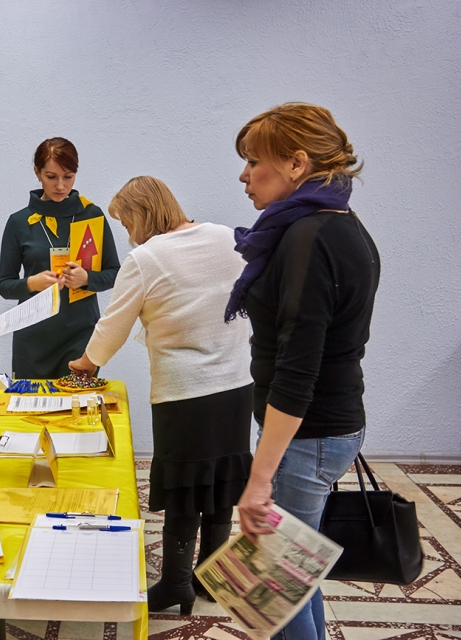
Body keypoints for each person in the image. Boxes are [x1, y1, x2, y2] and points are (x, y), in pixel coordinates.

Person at [68, 176, 253, 615]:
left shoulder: (146, 257)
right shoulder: (228, 238)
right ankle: (210, 578)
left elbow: (113, 323)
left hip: (184, 391)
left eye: (127, 222)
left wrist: (86, 364)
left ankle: (174, 585)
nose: (128, 234)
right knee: (220, 483)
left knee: (186, 488)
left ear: (142, 215)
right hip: (236, 383)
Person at [231, 103, 380, 640]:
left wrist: (258, 479)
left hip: (308, 432)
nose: (244, 176)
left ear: (296, 163)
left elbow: (298, 369)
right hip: (325, 425)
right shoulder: (339, 224)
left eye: (254, 161)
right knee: (296, 574)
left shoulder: (308, 238)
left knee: (276, 587)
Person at [0, 137, 121, 379]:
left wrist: (87, 278)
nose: (60, 186)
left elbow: (114, 273)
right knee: (32, 411)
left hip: (81, 335)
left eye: (68, 176)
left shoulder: (91, 215)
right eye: (51, 177)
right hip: (32, 338)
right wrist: (31, 284)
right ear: (37, 173)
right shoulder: (19, 222)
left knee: (77, 411)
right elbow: (4, 285)